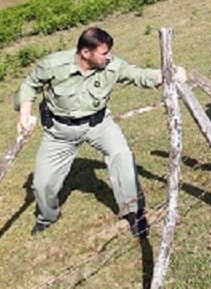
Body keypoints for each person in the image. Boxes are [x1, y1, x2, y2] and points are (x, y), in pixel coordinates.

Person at [14, 26, 186, 238]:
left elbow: (137, 74)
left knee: (122, 157)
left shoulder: (112, 66)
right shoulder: (53, 64)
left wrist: (167, 75)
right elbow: (29, 84)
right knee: (42, 184)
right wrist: (24, 114)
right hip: (60, 132)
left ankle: (133, 213)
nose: (109, 56)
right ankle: (48, 217)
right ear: (86, 53)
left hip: (98, 125)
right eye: (104, 53)